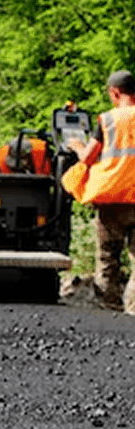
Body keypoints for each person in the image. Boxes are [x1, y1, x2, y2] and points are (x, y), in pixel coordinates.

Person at [62, 69, 135, 313]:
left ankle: (108, 305)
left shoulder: (108, 120)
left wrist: (76, 145)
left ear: (115, 93)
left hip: (112, 197)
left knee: (107, 256)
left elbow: (88, 157)